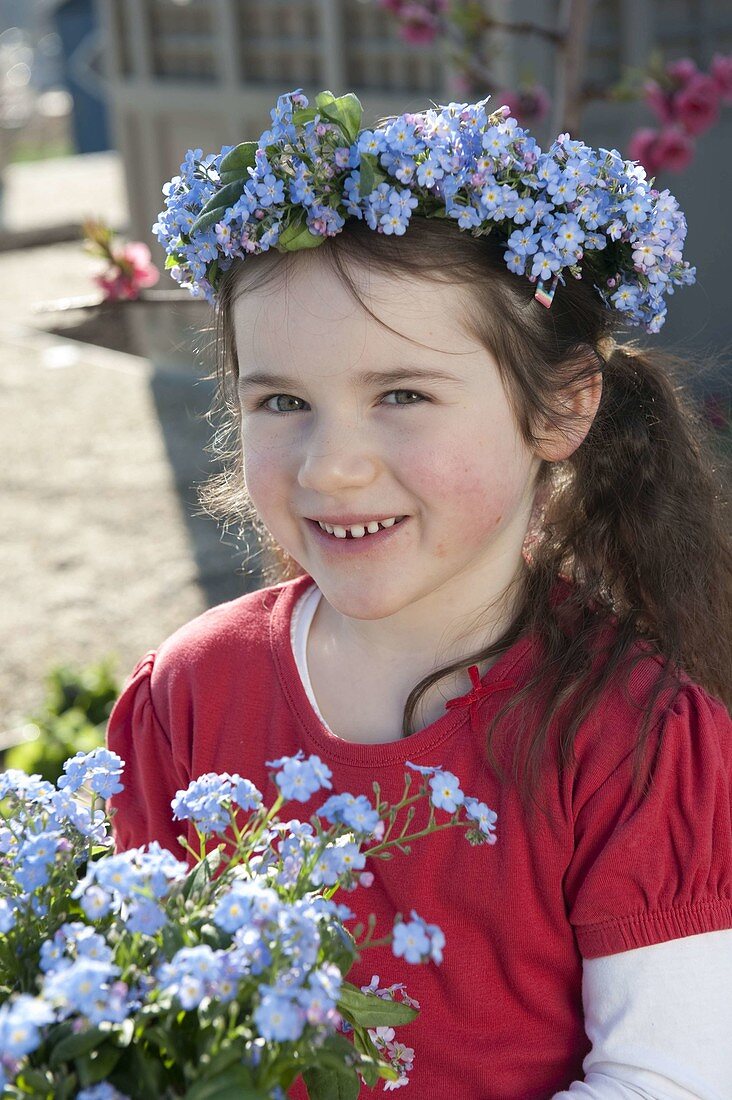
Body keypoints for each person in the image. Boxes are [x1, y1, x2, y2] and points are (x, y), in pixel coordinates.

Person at [107, 89, 732, 1098]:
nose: (332, 466)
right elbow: (128, 1022)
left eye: (401, 394)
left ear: (562, 407)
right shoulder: (188, 690)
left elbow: (667, 1077)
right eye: (282, 400)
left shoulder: (633, 734)